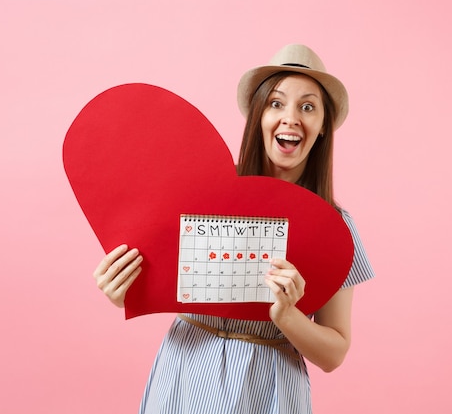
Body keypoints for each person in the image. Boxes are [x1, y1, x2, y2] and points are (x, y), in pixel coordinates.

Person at [93, 44, 375, 414]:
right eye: (276, 103)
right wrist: (123, 289)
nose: (290, 118)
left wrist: (287, 315)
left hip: (269, 387)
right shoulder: (202, 195)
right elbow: (155, 272)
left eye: (307, 107)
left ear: (323, 128)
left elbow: (334, 353)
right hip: (184, 372)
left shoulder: (337, 227)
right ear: (258, 115)